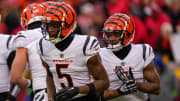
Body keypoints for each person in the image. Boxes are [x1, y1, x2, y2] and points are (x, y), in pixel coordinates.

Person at [35, 2, 109, 101]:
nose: (50, 29)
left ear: (68, 24)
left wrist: (78, 90)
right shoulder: (43, 45)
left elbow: (104, 82)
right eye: (47, 25)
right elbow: (50, 76)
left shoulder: (85, 45)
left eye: (55, 25)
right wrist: (51, 97)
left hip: (85, 98)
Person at [99, 13, 160, 101]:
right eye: (109, 34)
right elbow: (96, 95)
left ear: (128, 33)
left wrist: (136, 84)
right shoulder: (99, 55)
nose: (111, 38)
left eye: (116, 34)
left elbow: (156, 88)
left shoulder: (142, 51)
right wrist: (120, 91)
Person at [10, 3, 48, 101]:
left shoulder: (24, 36)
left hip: (42, 92)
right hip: (64, 90)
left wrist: (31, 83)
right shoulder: (57, 35)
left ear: (24, 21)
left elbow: (16, 77)